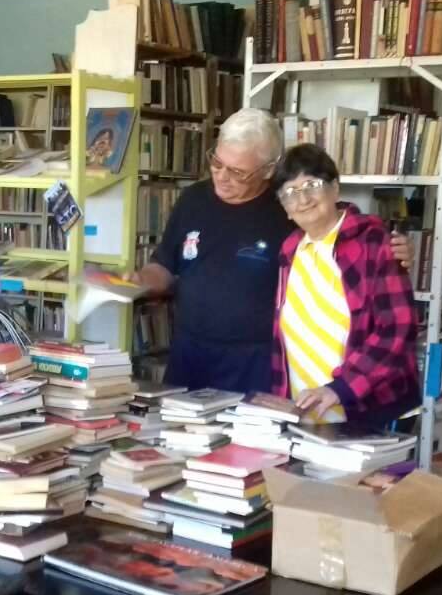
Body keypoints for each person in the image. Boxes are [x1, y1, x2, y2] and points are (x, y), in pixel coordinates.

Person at [132, 108, 412, 394]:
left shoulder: (288, 207)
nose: (222, 176)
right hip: (189, 355)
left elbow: (337, 228)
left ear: (268, 169)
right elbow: (164, 264)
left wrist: (388, 248)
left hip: (259, 362)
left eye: (238, 172)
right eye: (216, 162)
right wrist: (137, 281)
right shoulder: (192, 199)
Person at [270, 143, 420, 428]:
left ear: (335, 189)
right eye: (290, 192)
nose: (303, 199)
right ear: (285, 209)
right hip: (305, 410)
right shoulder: (290, 249)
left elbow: (398, 329)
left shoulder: (373, 241)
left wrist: (341, 389)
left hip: (366, 408)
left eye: (312, 185)